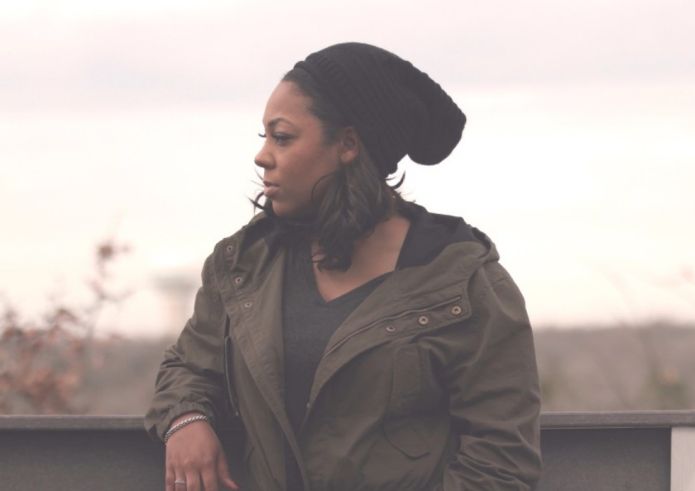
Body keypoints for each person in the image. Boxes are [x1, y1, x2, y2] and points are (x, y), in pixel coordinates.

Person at [144, 42, 542, 491]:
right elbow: (187, 365)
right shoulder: (244, 266)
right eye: (265, 138)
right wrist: (186, 419)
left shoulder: (463, 283)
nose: (262, 156)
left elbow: (501, 463)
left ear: (348, 144)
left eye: (282, 137)